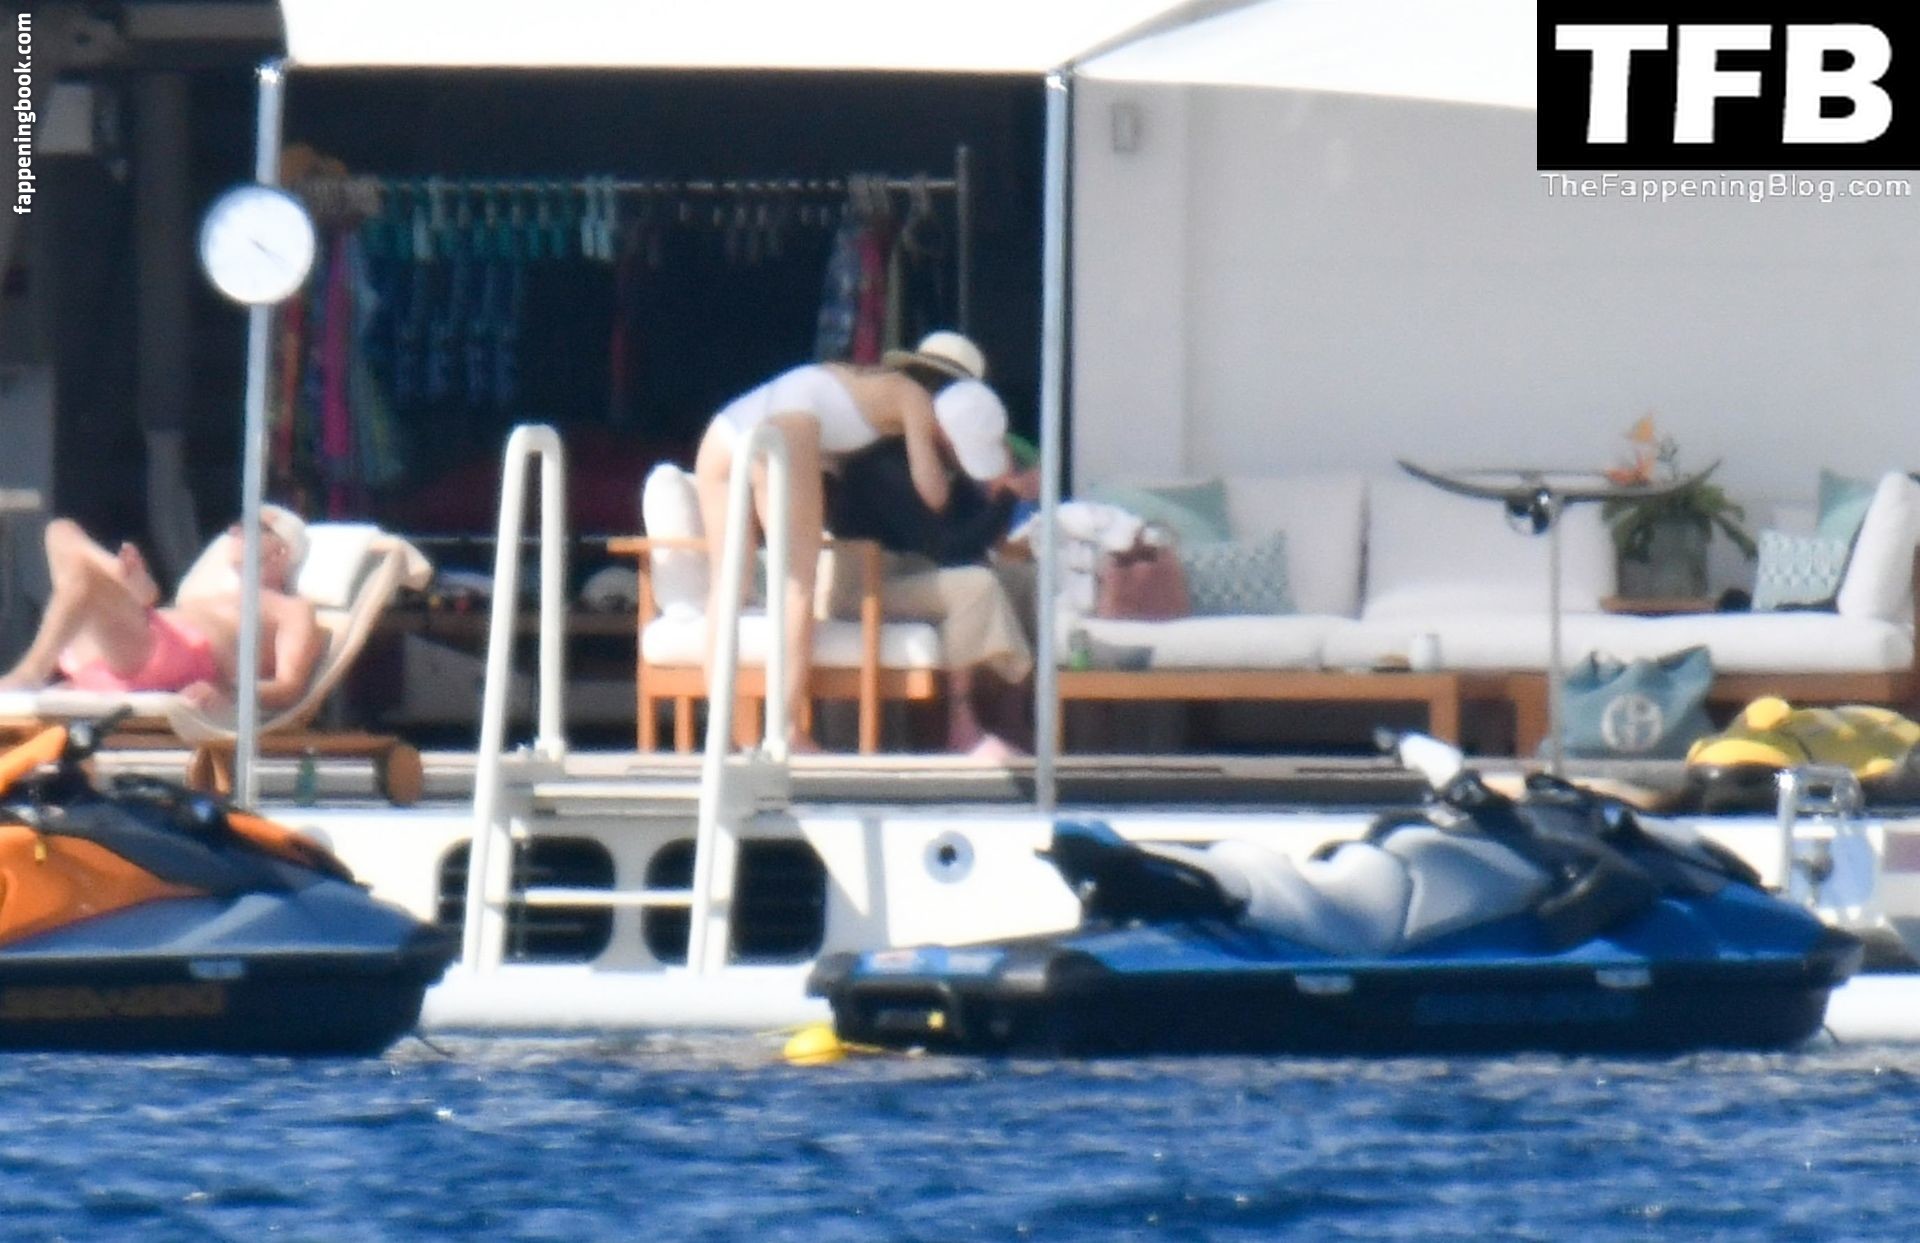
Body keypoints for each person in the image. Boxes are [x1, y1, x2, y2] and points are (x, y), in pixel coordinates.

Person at [695, 330, 1006, 751]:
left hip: (728, 426)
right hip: (788, 424)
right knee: (796, 586)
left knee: (728, 584)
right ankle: (785, 731)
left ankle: (721, 733)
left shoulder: (863, 380)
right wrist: (950, 466)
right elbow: (932, 493)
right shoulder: (915, 401)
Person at [826, 379, 1042, 759]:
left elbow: (970, 533)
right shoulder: (885, 465)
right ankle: (962, 724)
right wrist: (1007, 499)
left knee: (1026, 581)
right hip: (870, 583)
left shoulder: (945, 468)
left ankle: (1014, 712)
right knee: (975, 586)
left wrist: (999, 495)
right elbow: (949, 546)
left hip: (917, 572)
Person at [0, 506, 323, 713]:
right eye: (236, 525)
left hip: (162, 658)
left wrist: (228, 692)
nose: (235, 531)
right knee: (60, 530)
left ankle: (32, 671)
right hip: (111, 653)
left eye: (252, 526)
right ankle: (121, 575)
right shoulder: (207, 593)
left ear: (282, 550)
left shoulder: (292, 610)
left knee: (81, 572)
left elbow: (290, 687)